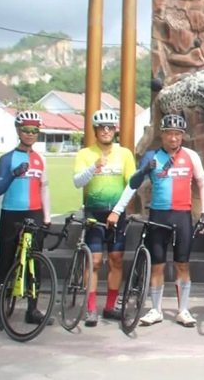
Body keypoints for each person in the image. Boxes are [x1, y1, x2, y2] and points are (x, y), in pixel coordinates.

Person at [109, 114, 204, 328]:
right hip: (158, 216)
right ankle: (156, 309)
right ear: (162, 135)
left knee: (183, 264)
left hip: (182, 215)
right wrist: (118, 210)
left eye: (177, 134)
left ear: (182, 136)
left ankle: (183, 310)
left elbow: (202, 183)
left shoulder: (191, 155)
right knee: (157, 265)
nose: (173, 138)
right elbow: (133, 184)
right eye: (169, 134)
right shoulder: (151, 156)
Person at [0, 111, 51, 332]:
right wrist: (13, 174)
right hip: (11, 215)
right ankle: (1, 312)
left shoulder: (40, 159)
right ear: (18, 131)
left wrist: (47, 216)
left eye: (35, 130)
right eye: (26, 130)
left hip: (34, 213)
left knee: (35, 263)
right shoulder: (7, 159)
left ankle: (32, 310)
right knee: (5, 263)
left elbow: (44, 188)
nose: (30, 134)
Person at [72, 109, 136, 327]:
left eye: (110, 127)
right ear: (95, 130)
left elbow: (132, 185)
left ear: (115, 130)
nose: (106, 131)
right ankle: (91, 309)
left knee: (116, 259)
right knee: (95, 261)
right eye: (102, 128)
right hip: (94, 211)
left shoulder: (125, 154)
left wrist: (117, 210)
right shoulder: (85, 154)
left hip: (117, 212)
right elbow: (77, 182)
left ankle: (110, 306)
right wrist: (93, 168)